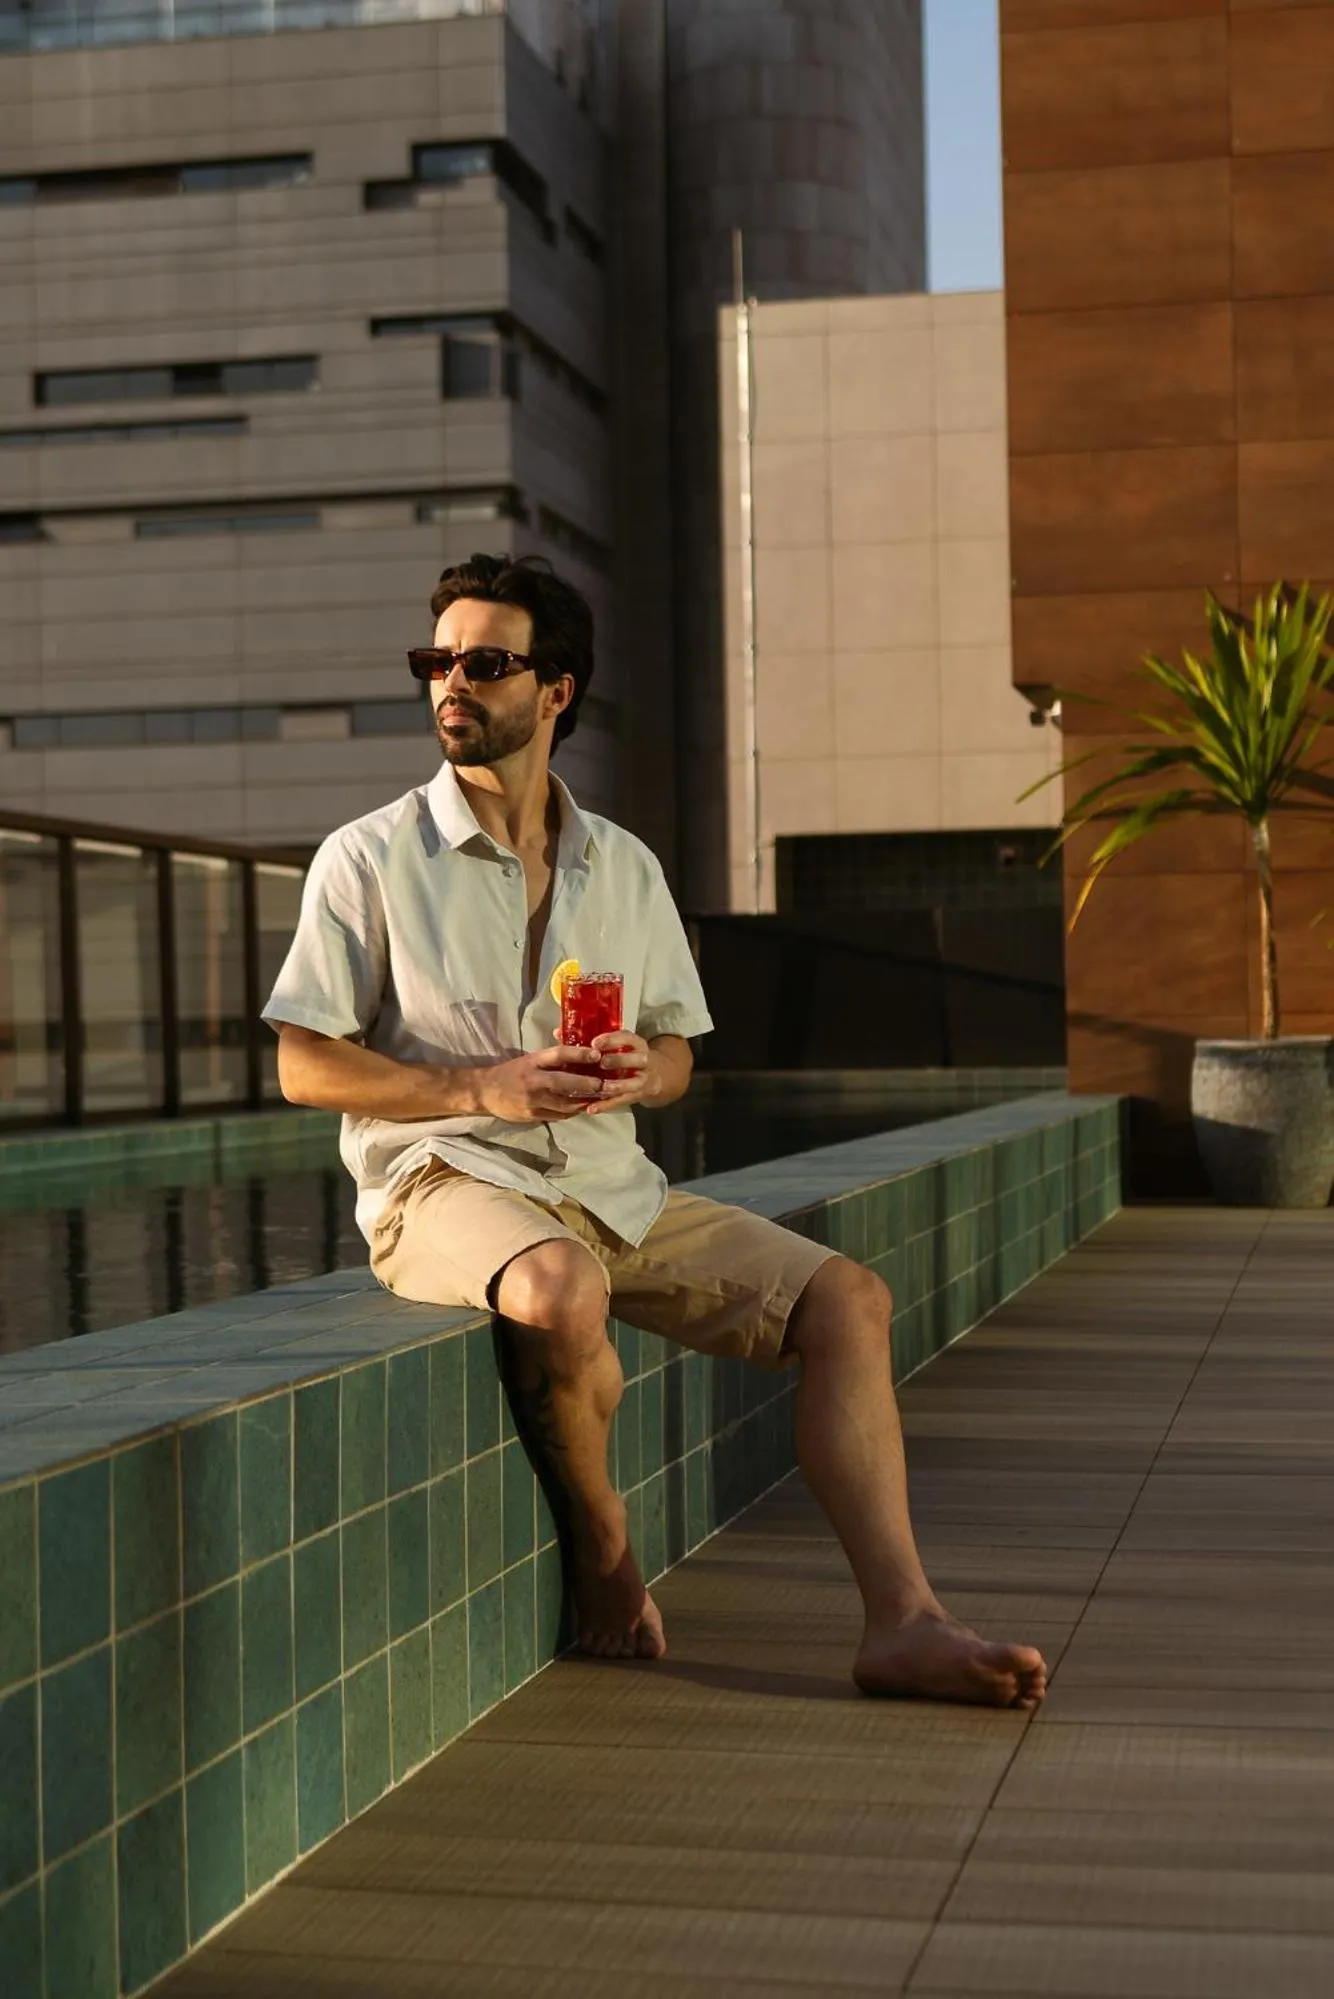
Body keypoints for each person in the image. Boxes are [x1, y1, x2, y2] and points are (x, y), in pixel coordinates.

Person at [264, 552, 1047, 1708]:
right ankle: (604, 1547)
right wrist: (484, 1089)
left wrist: (640, 1071)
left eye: (484, 663)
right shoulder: (368, 858)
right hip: (444, 1180)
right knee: (556, 1292)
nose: (450, 685)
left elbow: (679, 1055)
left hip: (609, 1183)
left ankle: (904, 1620)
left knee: (851, 1302)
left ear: (556, 690)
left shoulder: (620, 864)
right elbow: (302, 1063)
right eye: (437, 661)